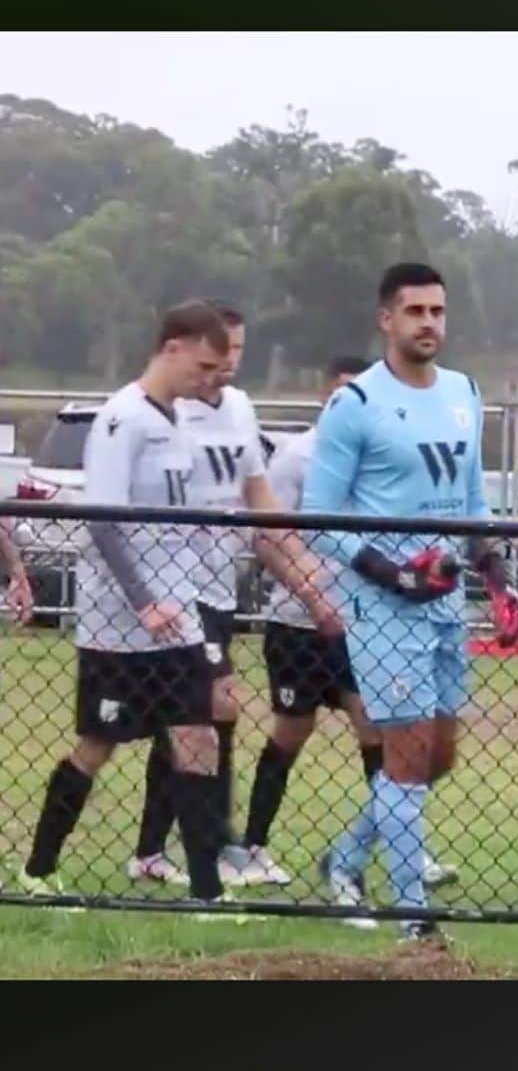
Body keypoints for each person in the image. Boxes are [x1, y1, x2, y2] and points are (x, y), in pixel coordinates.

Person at [302, 263, 518, 940]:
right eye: (415, 311)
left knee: (438, 755)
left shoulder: (463, 391)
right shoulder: (357, 405)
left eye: (438, 311)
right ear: (386, 320)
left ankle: (343, 860)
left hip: (445, 599)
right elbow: (317, 517)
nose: (429, 323)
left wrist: (496, 574)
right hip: (382, 609)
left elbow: (471, 503)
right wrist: (391, 573)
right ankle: (413, 921)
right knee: (404, 756)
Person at [18, 301, 233, 906]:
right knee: (98, 746)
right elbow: (104, 522)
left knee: (198, 738)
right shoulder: (122, 419)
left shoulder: (178, 422)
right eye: (205, 363)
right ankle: (37, 868)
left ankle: (208, 895)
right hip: (121, 626)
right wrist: (141, 602)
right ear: (173, 347)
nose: (211, 377)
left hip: (179, 620)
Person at [129, 299, 342, 889]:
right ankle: (213, 850)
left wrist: (298, 559)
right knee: (212, 708)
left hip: (219, 587)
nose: (228, 365)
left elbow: (255, 494)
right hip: (176, 585)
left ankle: (155, 849)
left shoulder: (240, 409)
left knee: (196, 719)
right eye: (219, 353)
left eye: (239, 353)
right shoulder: (164, 409)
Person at [240, 355, 457, 913]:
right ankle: (254, 845)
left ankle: (392, 851)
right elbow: (267, 535)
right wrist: (308, 593)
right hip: (297, 624)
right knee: (292, 731)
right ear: (323, 398)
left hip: (360, 621)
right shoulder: (298, 457)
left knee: (378, 731)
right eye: (338, 393)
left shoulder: (379, 456)